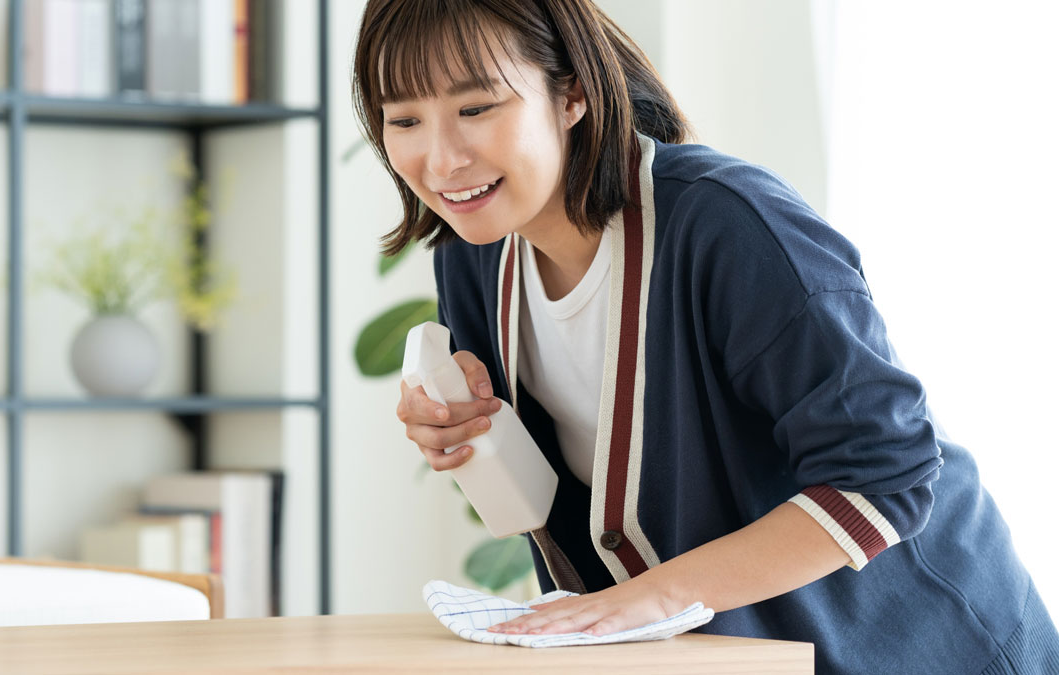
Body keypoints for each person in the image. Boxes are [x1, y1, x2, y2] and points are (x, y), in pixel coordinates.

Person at [352, 1, 1059, 672]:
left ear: (571, 94)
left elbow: (890, 472)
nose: (441, 162)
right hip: (732, 656)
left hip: (925, 645)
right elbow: (576, 496)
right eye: (404, 119)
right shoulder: (473, 256)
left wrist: (653, 594)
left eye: (476, 108)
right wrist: (468, 434)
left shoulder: (730, 226)